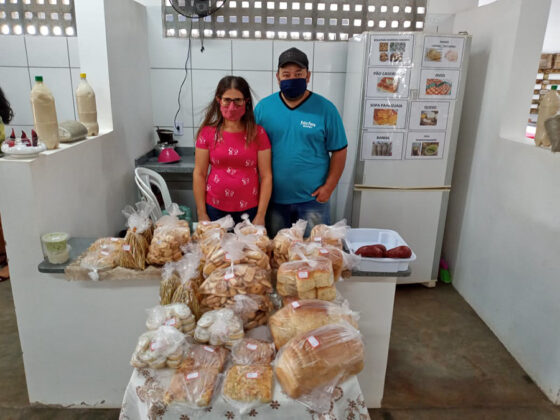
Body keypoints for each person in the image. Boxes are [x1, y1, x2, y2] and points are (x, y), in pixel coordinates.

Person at [255, 47, 348, 236]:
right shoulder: (263, 108)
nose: (292, 78)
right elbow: (252, 149)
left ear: (308, 76)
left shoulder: (326, 109)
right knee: (277, 257)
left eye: (298, 74)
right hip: (273, 200)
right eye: (286, 74)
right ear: (278, 77)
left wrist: (328, 188)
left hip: (312, 201)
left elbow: (339, 150)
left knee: (314, 256)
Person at [193, 76, 272, 226]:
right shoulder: (207, 133)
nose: (232, 106)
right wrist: (201, 212)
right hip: (214, 209)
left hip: (249, 211)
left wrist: (261, 215)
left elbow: (266, 176)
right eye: (227, 100)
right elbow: (199, 173)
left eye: (238, 100)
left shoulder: (258, 133)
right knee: (215, 250)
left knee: (249, 250)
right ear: (218, 100)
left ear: (246, 101)